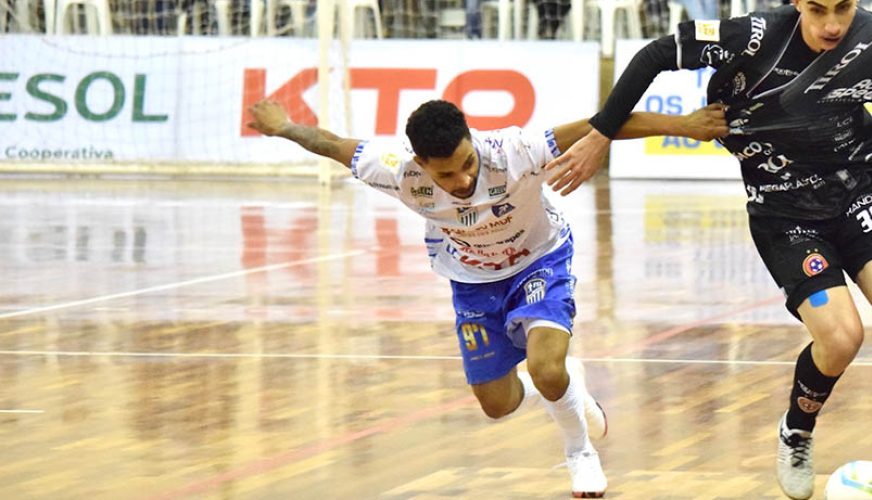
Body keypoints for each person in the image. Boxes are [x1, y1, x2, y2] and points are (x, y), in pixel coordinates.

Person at [544, 1, 872, 498]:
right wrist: (600, 134)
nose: (831, 24)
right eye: (818, 9)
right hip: (784, 212)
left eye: (843, 8)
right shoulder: (752, 35)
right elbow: (656, 53)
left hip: (860, 190)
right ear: (798, 3)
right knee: (842, 338)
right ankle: (796, 431)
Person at [246, 98, 727, 498]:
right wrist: (285, 127)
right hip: (472, 282)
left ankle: (580, 452)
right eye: (446, 175)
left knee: (545, 365)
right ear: (419, 165)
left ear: (474, 143)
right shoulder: (395, 171)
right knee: (497, 404)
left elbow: (605, 121)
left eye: (467, 164)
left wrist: (682, 125)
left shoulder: (514, 150)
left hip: (540, 261)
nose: (461, 181)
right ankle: (564, 387)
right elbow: (330, 144)